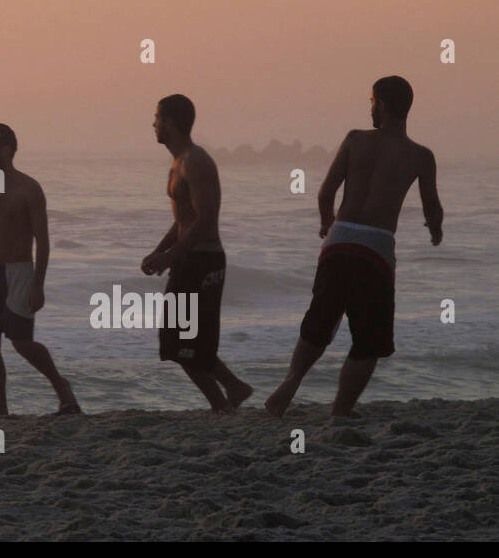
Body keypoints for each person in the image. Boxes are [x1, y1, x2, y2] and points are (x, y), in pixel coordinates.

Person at [266, 77, 443, 418]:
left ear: (383, 105)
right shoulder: (421, 156)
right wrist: (436, 228)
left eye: (372, 101)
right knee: (368, 338)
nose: (370, 107)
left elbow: (325, 193)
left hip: (339, 241)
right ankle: (341, 409)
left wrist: (325, 222)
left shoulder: (354, 139)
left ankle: (287, 387)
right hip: (375, 248)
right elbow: (431, 205)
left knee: (320, 320)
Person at [0, 123, 81, 416]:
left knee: (21, 342)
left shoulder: (28, 189)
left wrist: (38, 284)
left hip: (18, 271)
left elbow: (42, 241)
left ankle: (61, 386)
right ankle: (1, 413)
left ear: (7, 149)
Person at [141, 95, 253, 412]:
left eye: (157, 117)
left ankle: (226, 396)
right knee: (180, 339)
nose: (153, 124)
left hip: (204, 260)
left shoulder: (196, 161)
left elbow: (205, 220)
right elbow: (183, 220)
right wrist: (159, 251)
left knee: (181, 341)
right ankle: (230, 392)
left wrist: (170, 256)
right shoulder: (178, 163)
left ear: (171, 123)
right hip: (189, 258)